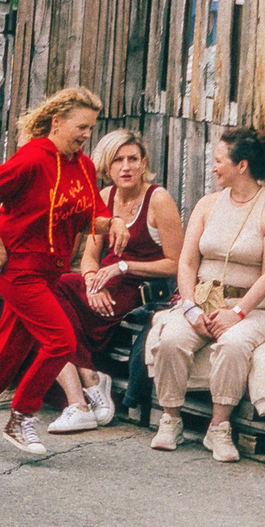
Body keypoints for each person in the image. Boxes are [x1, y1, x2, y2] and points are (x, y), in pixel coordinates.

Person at [0, 86, 103, 459]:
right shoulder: (33, 158)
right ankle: (21, 417)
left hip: (50, 270)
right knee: (61, 341)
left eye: (91, 129)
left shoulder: (84, 165)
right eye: (81, 126)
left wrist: (113, 225)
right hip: (17, 270)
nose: (86, 135)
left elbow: (91, 213)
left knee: (8, 351)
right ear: (57, 122)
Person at [147, 125, 265, 463]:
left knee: (233, 343)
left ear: (242, 165)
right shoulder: (208, 204)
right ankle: (171, 419)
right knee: (171, 339)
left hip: (250, 309)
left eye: (218, 160)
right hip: (201, 301)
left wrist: (237, 313)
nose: (213, 167)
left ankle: (219, 427)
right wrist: (189, 307)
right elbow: (186, 262)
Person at [68, 128, 181, 423]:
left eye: (133, 158)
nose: (126, 167)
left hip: (137, 287)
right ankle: (89, 377)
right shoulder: (105, 196)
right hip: (102, 285)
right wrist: (92, 283)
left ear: (144, 163)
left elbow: (176, 263)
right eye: (118, 160)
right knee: (48, 294)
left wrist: (123, 266)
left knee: (54, 303)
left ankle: (84, 387)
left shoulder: (158, 199)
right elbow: (90, 255)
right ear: (107, 166)